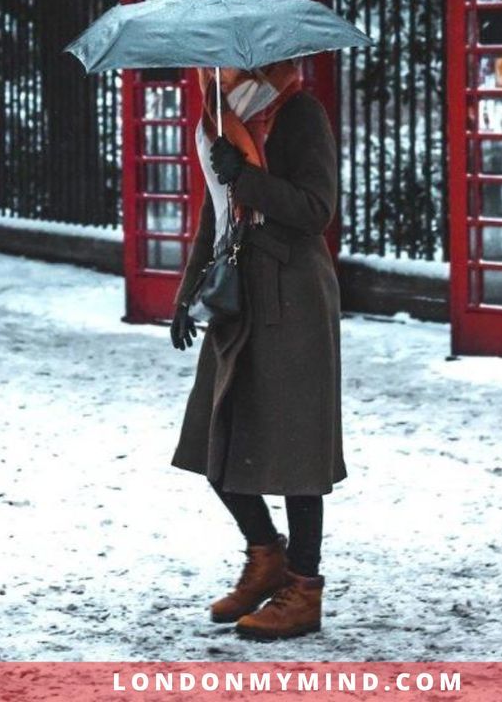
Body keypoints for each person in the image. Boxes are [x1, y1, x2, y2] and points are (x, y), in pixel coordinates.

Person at [170, 58, 346, 641]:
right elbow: (214, 213)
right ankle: (265, 555)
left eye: (224, 62)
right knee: (215, 440)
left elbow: (316, 210)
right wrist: (186, 292)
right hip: (238, 296)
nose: (212, 70)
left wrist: (244, 176)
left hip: (293, 297)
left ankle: (303, 589)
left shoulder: (298, 113)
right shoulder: (220, 120)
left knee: (297, 451)